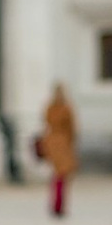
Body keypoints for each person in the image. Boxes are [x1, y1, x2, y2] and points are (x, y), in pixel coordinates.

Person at [34, 85, 79, 218]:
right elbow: (72, 128)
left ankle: (55, 204)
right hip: (63, 143)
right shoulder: (66, 108)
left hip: (51, 142)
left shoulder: (50, 108)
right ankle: (59, 205)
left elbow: (45, 123)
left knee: (56, 175)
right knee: (62, 176)